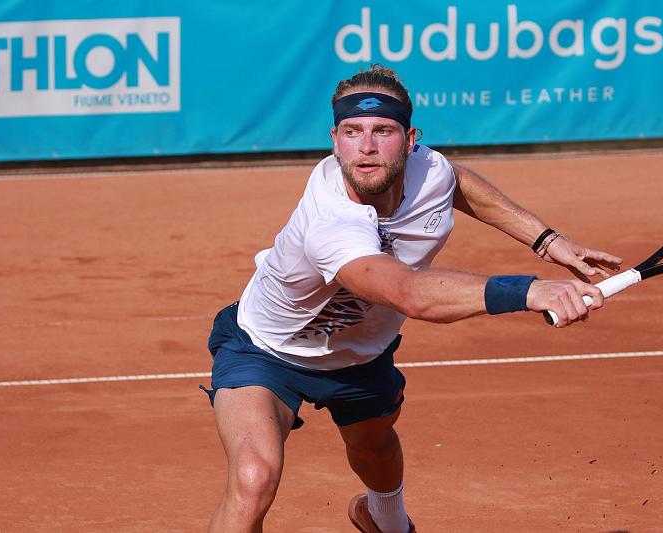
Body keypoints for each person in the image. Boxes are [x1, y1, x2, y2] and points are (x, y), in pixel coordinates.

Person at [202, 64, 621, 533]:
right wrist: (529, 289)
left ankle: (385, 521)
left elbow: (458, 183)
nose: (366, 146)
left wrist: (546, 240)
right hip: (267, 351)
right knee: (254, 478)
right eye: (352, 132)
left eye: (383, 131)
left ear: (410, 140)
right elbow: (409, 294)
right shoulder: (331, 220)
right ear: (335, 140)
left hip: (361, 356)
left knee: (375, 447)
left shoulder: (428, 169)